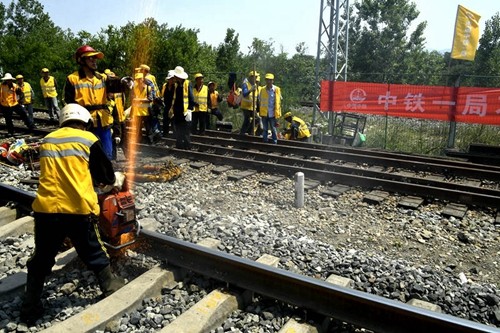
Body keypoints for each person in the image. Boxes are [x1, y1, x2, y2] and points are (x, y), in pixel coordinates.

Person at [21, 103, 125, 325]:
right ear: (85, 122)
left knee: (42, 257)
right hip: (78, 209)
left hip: (46, 210)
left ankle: (30, 307)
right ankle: (111, 289)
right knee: (94, 251)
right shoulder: (87, 140)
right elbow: (105, 176)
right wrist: (112, 180)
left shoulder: (48, 141)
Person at [64, 45, 120, 160]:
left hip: (102, 121)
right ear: (81, 60)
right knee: (88, 155)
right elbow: (68, 103)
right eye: (90, 58)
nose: (94, 60)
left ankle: (106, 177)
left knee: (107, 155)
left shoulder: (102, 77)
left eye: (95, 58)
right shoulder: (72, 79)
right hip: (85, 122)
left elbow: (116, 86)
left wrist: (124, 82)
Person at [171, 66, 195, 149]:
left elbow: (191, 98)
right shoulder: (177, 85)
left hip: (185, 112)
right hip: (177, 111)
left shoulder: (187, 84)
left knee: (185, 131)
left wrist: (189, 109)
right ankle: (179, 147)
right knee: (178, 130)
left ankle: (187, 147)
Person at [258, 73, 282, 144]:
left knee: (273, 128)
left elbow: (279, 101)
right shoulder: (262, 89)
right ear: (265, 80)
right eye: (267, 80)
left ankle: (274, 142)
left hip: (273, 113)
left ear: (273, 81)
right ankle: (265, 141)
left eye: (270, 80)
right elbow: (259, 100)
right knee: (265, 129)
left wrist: (278, 113)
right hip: (264, 113)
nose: (269, 81)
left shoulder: (277, 89)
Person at [131, 72, 153, 144]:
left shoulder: (148, 88)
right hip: (137, 111)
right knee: (138, 128)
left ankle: (150, 141)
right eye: (137, 79)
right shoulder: (134, 88)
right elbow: (132, 98)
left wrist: (139, 100)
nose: (138, 81)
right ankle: (139, 141)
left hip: (145, 111)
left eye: (139, 79)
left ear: (142, 79)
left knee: (148, 127)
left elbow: (150, 99)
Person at [240, 70, 259, 135]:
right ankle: (242, 133)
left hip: (252, 107)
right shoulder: (245, 84)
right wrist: (251, 90)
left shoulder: (255, 85)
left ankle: (248, 131)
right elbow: (245, 94)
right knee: (247, 120)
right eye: (254, 77)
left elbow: (256, 96)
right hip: (245, 106)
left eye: (256, 77)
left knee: (257, 119)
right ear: (250, 77)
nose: (255, 78)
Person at [160, 70, 176, 138]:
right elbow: (162, 95)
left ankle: (175, 135)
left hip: (173, 106)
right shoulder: (165, 86)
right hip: (166, 105)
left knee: (173, 121)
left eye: (172, 79)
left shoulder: (175, 86)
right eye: (170, 79)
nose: (171, 80)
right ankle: (165, 134)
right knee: (165, 120)